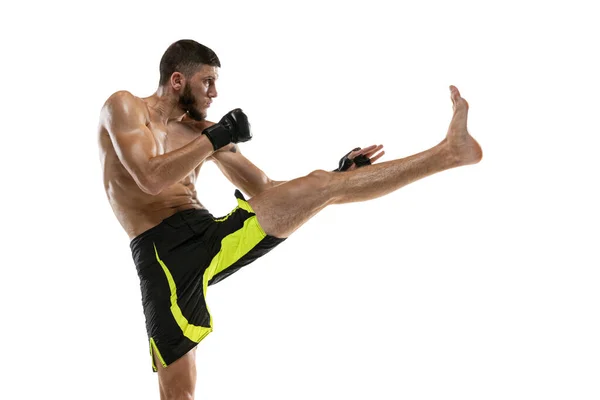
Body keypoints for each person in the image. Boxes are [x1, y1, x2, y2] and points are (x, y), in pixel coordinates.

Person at [97, 39, 482, 400]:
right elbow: (149, 177)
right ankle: (443, 154)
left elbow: (263, 187)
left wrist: (340, 174)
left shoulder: (199, 132)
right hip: (165, 256)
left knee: (322, 185)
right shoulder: (125, 106)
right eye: (208, 82)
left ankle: (449, 152)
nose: (214, 94)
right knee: (179, 393)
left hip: (211, 235)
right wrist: (214, 140)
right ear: (177, 80)